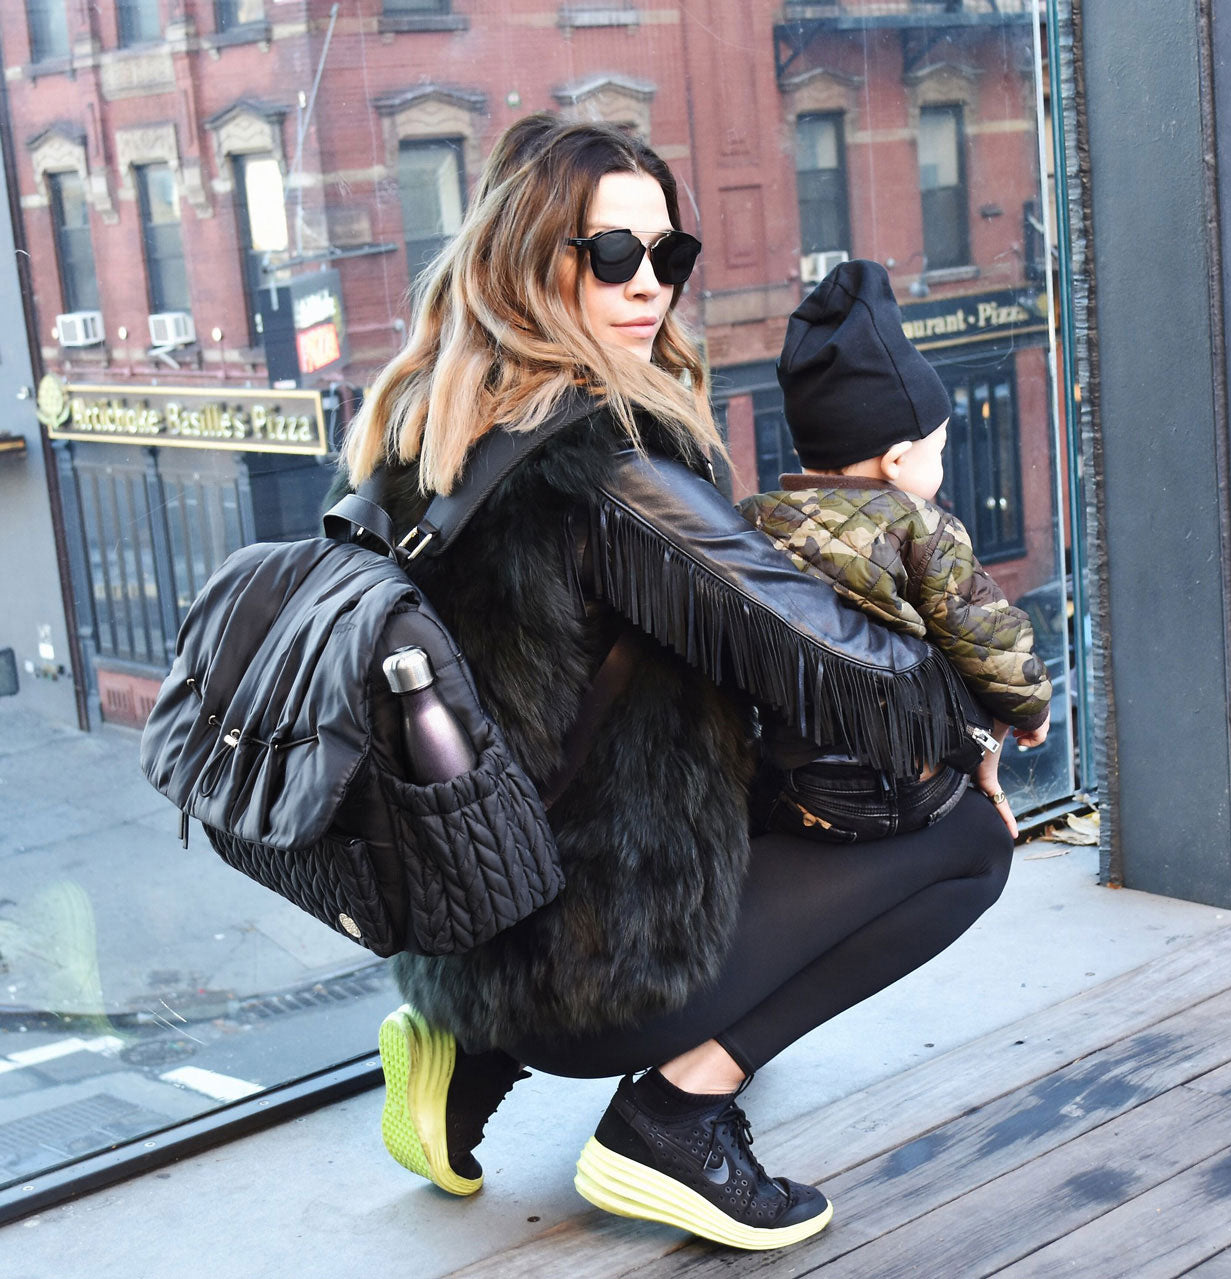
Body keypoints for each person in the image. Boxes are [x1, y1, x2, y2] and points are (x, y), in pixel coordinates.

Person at [338, 118, 1016, 1252]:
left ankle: (459, 1062)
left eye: (668, 254)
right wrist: (972, 714)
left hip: (462, 921)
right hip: (588, 966)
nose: (648, 282)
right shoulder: (606, 465)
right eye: (612, 255)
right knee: (967, 843)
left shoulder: (419, 427)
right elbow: (839, 660)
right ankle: (672, 1114)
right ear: (528, 256)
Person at [737, 260, 1053, 846]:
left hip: (793, 792)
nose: (943, 462)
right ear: (898, 459)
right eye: (940, 447)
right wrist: (1031, 709)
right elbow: (988, 635)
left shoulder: (752, 521)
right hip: (894, 787)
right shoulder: (920, 525)